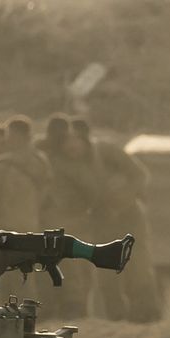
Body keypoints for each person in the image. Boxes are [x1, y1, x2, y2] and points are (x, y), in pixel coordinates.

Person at [76, 116, 161, 322]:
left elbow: (140, 175)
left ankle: (146, 315)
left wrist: (122, 198)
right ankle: (116, 316)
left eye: (73, 139)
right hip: (101, 217)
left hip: (128, 213)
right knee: (106, 271)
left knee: (138, 266)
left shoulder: (106, 151)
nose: (70, 146)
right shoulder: (69, 163)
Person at [37, 113, 96, 315]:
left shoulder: (47, 155)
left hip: (65, 217)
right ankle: (70, 305)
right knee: (70, 268)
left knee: (69, 267)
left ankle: (70, 305)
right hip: (61, 216)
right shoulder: (56, 158)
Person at [0, 115, 50, 233]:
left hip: (4, 227)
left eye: (9, 135)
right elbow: (46, 193)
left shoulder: (1, 165)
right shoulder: (41, 161)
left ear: (16, 136)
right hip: (31, 226)